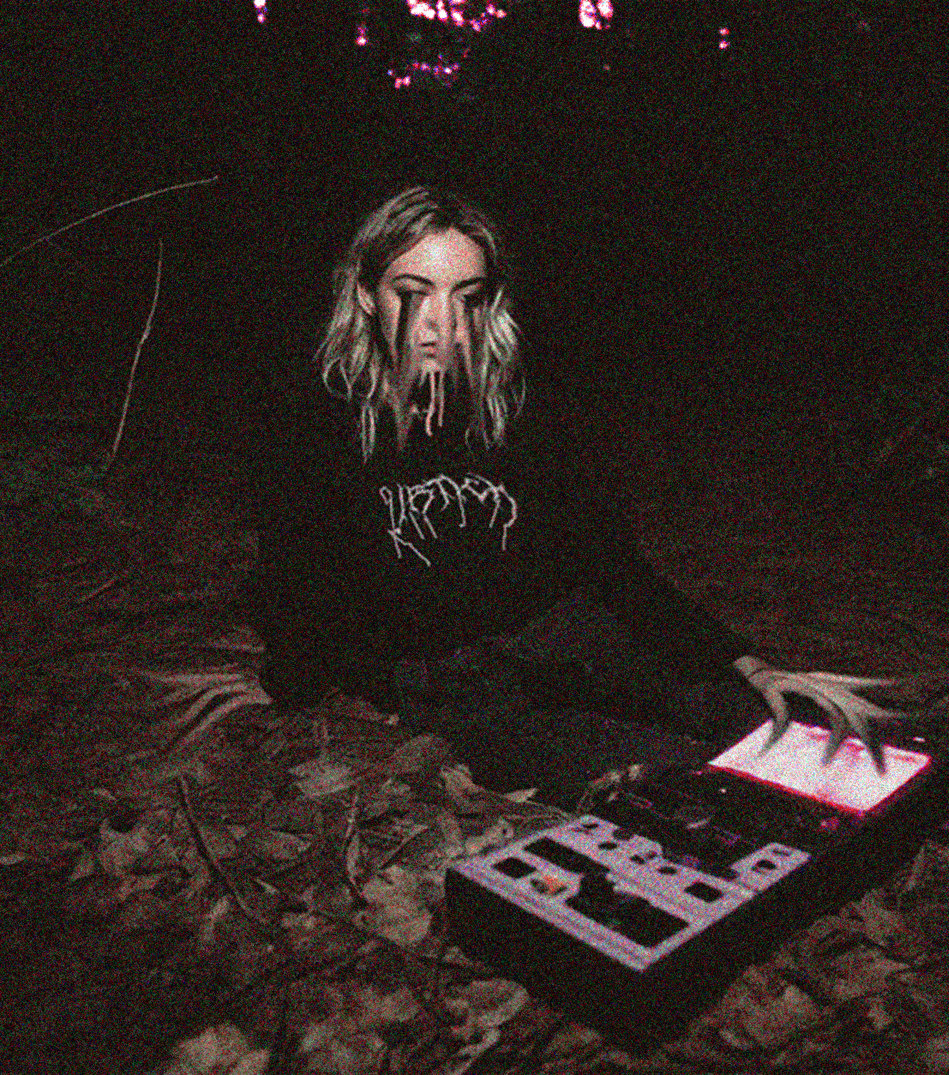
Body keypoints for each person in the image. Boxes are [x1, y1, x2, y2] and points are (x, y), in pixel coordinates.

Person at [244, 185, 896, 807]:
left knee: (781, 728)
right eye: (414, 293)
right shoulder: (320, 424)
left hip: (560, 634)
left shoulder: (512, 409)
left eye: (468, 296)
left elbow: (605, 558)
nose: (443, 322)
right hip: (448, 680)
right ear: (366, 295)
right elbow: (300, 584)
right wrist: (340, 687)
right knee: (678, 780)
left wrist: (734, 657)